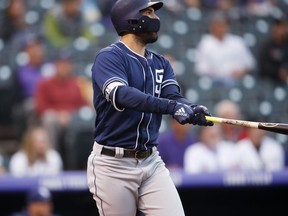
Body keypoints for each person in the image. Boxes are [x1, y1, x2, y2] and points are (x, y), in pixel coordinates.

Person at [86, 0, 214, 215]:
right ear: (130, 18)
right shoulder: (109, 57)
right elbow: (122, 94)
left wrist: (193, 109)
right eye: (148, 12)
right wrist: (171, 107)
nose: (155, 18)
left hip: (151, 161)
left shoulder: (160, 63)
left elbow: (173, 97)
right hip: (113, 165)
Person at [35, 50, 88, 163]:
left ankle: (84, 162)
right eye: (61, 64)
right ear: (55, 65)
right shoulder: (45, 83)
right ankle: (51, 160)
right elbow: (40, 107)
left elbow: (83, 105)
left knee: (87, 120)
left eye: (67, 64)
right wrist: (59, 115)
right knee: (49, 119)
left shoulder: (76, 84)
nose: (64, 67)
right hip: (54, 119)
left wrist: (71, 116)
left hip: (72, 119)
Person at [194, 11, 255, 86]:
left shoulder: (237, 42)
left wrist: (241, 72)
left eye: (224, 24)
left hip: (237, 81)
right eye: (218, 25)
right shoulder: (205, 43)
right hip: (215, 83)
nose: (221, 28)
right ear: (212, 26)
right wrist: (221, 73)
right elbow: (201, 69)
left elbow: (249, 64)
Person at [257, 17, 288, 84]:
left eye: (283, 26)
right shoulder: (267, 45)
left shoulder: (286, 45)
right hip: (270, 81)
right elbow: (263, 66)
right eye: (278, 26)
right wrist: (278, 71)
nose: (281, 30)